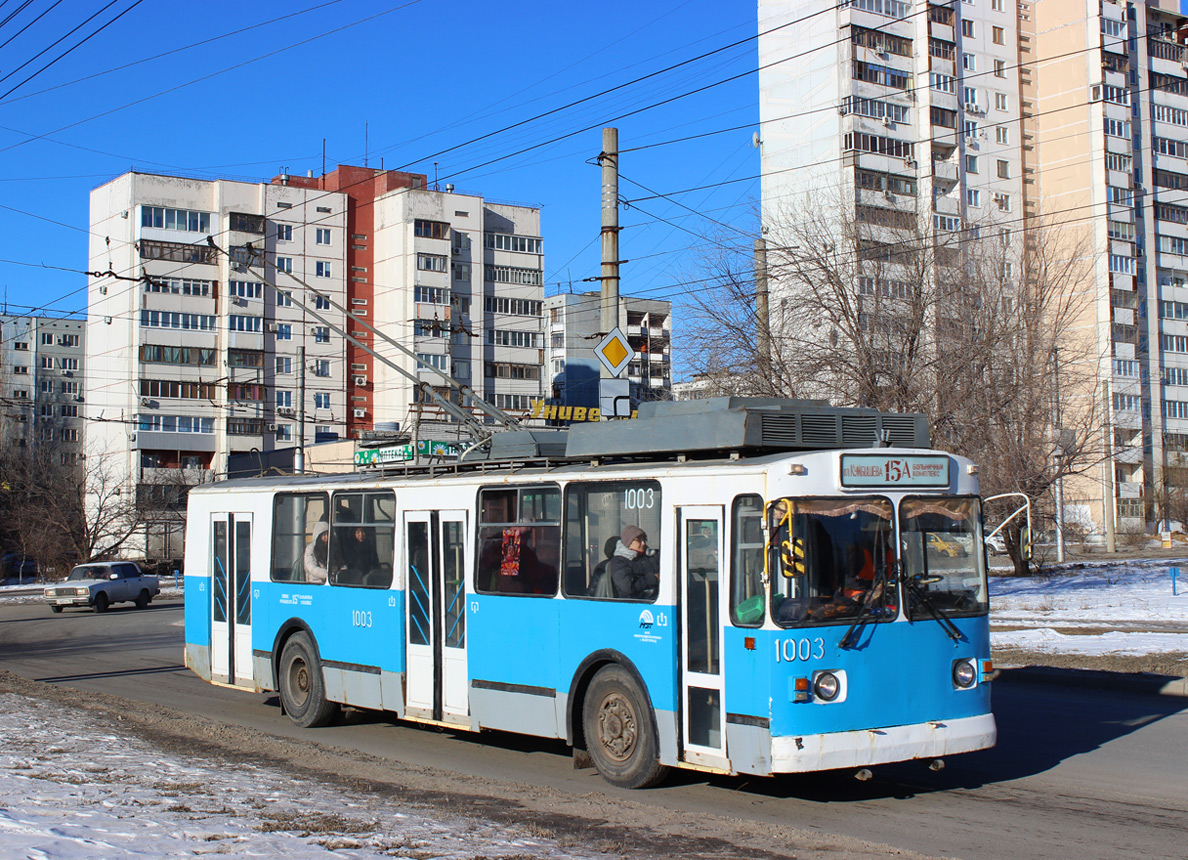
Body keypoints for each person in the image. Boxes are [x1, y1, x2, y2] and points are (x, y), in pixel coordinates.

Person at [607, 524, 659, 599]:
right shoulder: (619, 562)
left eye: (644, 539)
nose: (643, 543)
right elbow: (627, 586)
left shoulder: (648, 558)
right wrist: (653, 578)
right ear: (628, 542)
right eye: (639, 540)